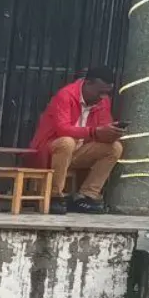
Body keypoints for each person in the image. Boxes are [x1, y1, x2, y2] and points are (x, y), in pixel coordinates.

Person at [27, 66, 123, 214]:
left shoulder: (102, 101)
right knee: (67, 141)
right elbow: (62, 129)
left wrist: (111, 132)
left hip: (78, 150)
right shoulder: (65, 95)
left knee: (115, 147)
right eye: (100, 92)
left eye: (107, 93)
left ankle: (86, 197)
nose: (103, 97)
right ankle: (54, 195)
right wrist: (94, 131)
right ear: (88, 83)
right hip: (51, 149)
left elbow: (103, 126)